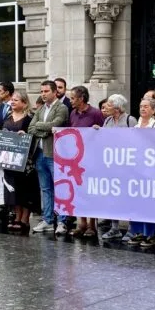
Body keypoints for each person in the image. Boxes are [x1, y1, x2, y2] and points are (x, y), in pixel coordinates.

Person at [28, 80, 70, 234]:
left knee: (60, 188)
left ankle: (62, 221)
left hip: (54, 154)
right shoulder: (40, 109)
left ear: (54, 92)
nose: (43, 94)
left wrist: (41, 126)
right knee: (45, 189)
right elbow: (31, 128)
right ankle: (47, 219)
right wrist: (45, 130)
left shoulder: (62, 108)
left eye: (46, 91)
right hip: (40, 154)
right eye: (41, 92)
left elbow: (57, 125)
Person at [125, 97, 155, 248]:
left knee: (151, 203)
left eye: (146, 107)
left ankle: (151, 233)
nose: (143, 109)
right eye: (141, 106)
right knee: (137, 202)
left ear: (153, 110)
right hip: (136, 171)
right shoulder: (135, 127)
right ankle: (138, 231)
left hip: (152, 171)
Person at [99, 93, 138, 241]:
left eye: (108, 105)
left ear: (117, 108)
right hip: (111, 166)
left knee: (128, 197)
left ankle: (131, 228)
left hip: (127, 167)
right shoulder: (107, 120)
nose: (105, 107)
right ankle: (114, 228)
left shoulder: (130, 120)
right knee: (113, 197)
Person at [68, 85, 104, 237]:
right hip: (77, 159)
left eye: (73, 98)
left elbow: (104, 134)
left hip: (92, 157)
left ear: (81, 98)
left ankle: (92, 224)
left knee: (91, 190)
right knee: (79, 190)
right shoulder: (73, 113)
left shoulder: (95, 113)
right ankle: (81, 222)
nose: (71, 101)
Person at [4, 92, 39, 233]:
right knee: (14, 189)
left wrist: (26, 136)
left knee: (26, 189)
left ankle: (25, 218)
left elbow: (34, 137)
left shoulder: (29, 119)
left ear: (24, 103)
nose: (12, 102)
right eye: (12, 100)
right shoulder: (7, 117)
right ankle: (17, 216)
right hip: (10, 159)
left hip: (25, 160)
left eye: (16, 100)